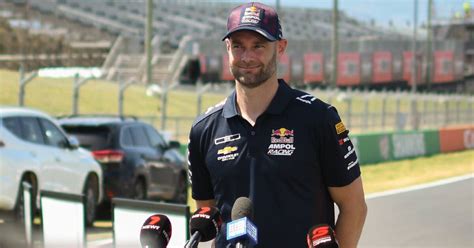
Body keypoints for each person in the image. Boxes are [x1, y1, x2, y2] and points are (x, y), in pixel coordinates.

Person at [187, 2, 367, 247]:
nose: (247, 57)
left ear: (280, 48)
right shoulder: (203, 130)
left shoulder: (318, 118)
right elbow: (208, 216)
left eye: (258, 46)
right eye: (238, 46)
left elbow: (354, 206)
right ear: (227, 48)